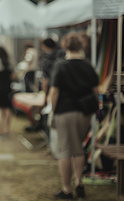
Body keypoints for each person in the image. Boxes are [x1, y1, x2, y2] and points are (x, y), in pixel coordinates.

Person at [48, 32, 99, 199]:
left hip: (64, 111)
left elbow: (54, 92)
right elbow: (95, 91)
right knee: (78, 148)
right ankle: (80, 183)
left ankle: (67, 189)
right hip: (84, 112)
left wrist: (52, 111)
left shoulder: (60, 65)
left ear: (65, 46)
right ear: (81, 46)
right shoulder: (88, 65)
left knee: (65, 150)